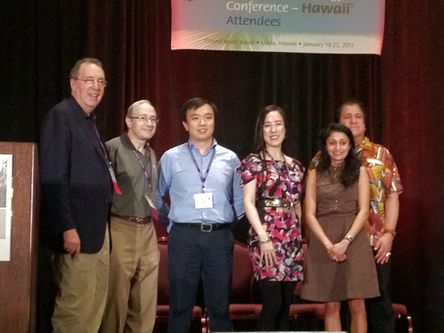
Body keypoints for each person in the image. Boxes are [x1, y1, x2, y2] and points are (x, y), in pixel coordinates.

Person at [156, 97, 244, 333]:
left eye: (208, 117)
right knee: (180, 308)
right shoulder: (171, 157)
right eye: (195, 118)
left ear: (214, 121)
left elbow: (240, 201)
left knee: (220, 308)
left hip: (219, 238)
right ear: (185, 124)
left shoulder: (231, 158)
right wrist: (174, 224)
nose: (202, 123)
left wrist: (224, 223)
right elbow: (156, 198)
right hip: (183, 237)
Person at [39, 57, 113, 332]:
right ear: (73, 84)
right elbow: (54, 178)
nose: (96, 87)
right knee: (75, 314)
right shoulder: (61, 116)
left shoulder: (88, 120)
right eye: (88, 80)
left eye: (101, 81)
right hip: (76, 235)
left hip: (96, 233)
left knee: (93, 309)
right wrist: (67, 227)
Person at [301, 123, 379, 333]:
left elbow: (363, 211)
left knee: (357, 304)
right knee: (331, 304)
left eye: (343, 143)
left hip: (354, 238)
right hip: (323, 237)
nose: (338, 148)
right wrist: (328, 245)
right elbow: (309, 214)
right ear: (325, 146)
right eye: (332, 143)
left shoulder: (360, 170)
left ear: (350, 145)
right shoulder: (315, 172)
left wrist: (345, 242)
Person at [336, 98, 403, 333]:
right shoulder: (330, 156)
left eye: (357, 117)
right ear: (339, 122)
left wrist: (389, 234)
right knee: (346, 305)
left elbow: (393, 196)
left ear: (365, 124)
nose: (352, 121)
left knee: (379, 301)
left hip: (376, 242)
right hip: (342, 242)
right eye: (347, 116)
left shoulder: (381, 154)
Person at [237, 105, 305, 331]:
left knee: (286, 304)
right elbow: (248, 202)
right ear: (261, 130)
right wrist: (263, 238)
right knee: (273, 303)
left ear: (286, 129)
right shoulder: (253, 162)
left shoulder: (296, 166)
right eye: (267, 125)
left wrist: (301, 239)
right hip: (266, 235)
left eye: (277, 124)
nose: (273, 130)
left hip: (291, 238)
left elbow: (296, 205)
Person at [100, 100, 160, 333]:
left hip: (147, 230)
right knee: (116, 299)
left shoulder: (152, 153)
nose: (149, 123)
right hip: (120, 226)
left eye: (153, 119)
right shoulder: (112, 148)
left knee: (145, 302)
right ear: (128, 121)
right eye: (143, 118)